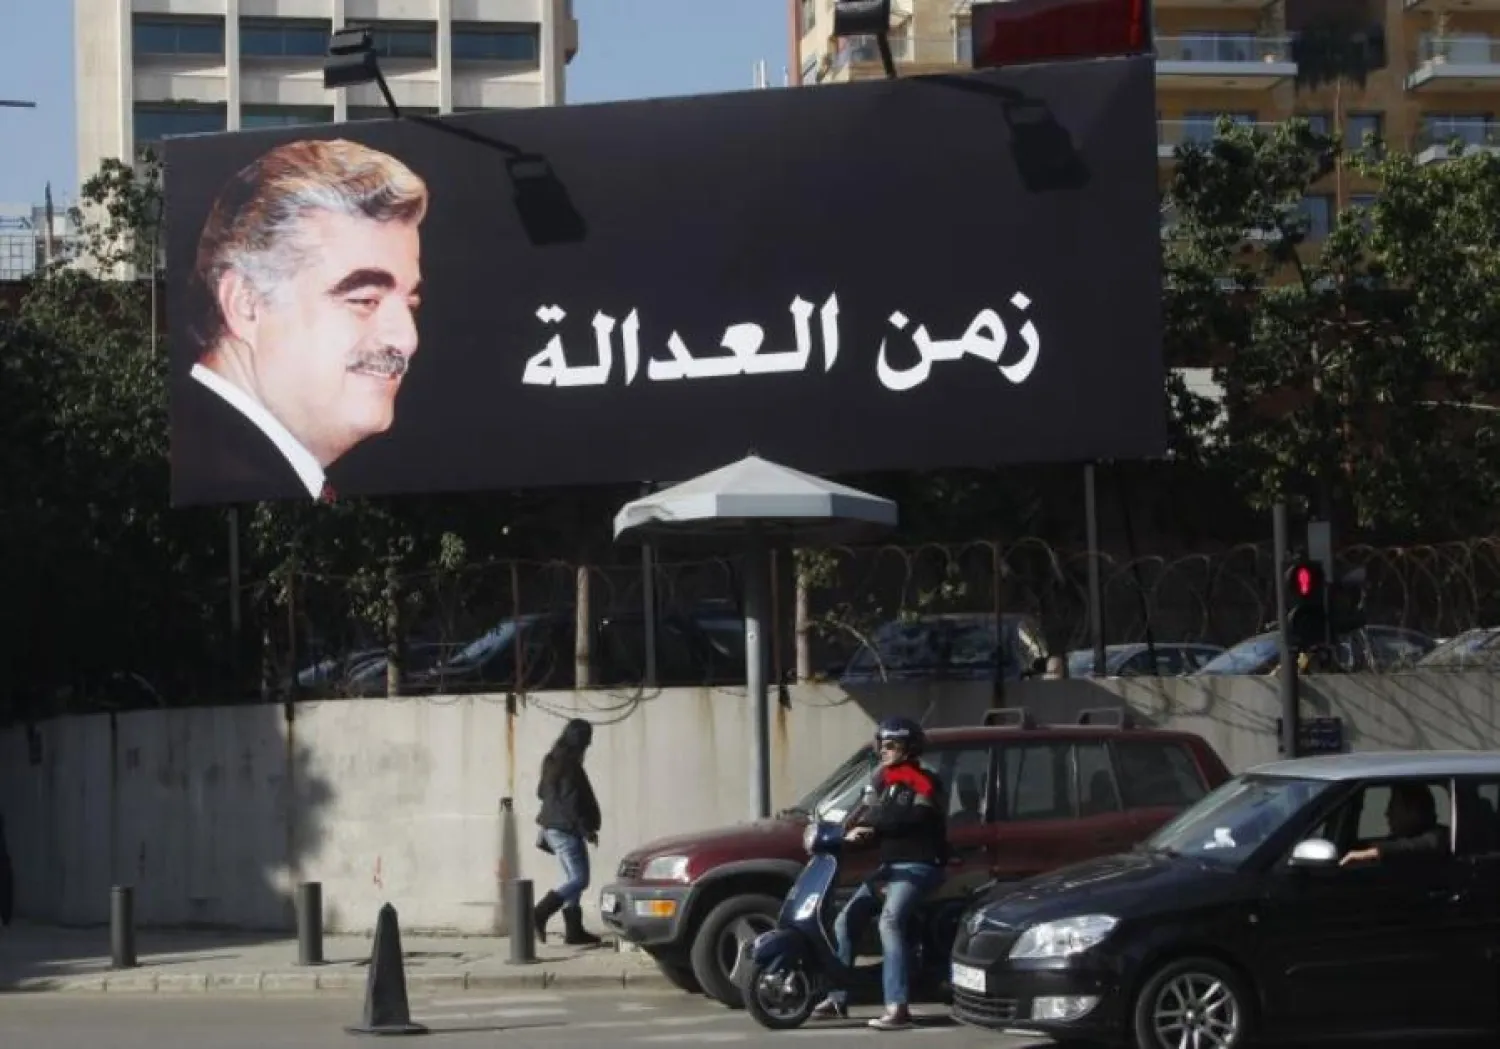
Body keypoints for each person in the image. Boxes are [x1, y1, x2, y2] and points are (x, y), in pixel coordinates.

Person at [173, 138, 430, 505]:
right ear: (246, 303)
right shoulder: (222, 481)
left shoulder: (220, 461)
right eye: (365, 300)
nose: (406, 338)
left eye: (411, 302)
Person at [812, 717, 949, 1031]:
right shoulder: (882, 780)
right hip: (888, 869)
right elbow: (863, 812)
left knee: (890, 921)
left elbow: (914, 818)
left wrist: (873, 825)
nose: (884, 751)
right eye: (882, 745)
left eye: (891, 745)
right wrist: (843, 832)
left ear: (909, 747)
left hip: (919, 866)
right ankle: (836, 999)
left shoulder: (926, 780)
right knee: (845, 919)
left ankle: (898, 1007)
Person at [533, 718, 604, 946]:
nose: (590, 744)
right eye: (588, 738)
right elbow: (572, 803)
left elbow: (541, 793)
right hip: (567, 829)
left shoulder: (552, 760)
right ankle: (539, 913)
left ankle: (574, 932)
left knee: (570, 878)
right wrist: (587, 830)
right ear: (580, 740)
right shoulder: (570, 765)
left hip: (553, 828)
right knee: (579, 879)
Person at [1340, 782, 1448, 865]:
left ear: (1413, 811)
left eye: (1392, 807)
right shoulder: (1403, 838)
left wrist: (1375, 852)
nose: (1387, 813)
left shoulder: (1439, 837)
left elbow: (1423, 845)